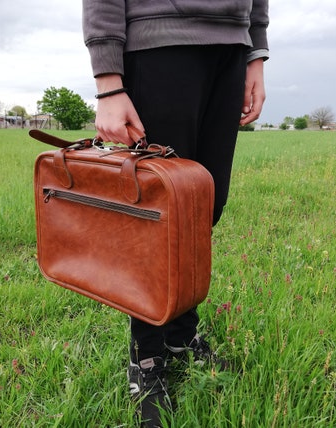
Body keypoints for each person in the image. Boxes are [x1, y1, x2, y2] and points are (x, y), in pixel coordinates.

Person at [82, 1, 269, 426]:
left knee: (202, 208)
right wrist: (109, 81)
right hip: (159, 43)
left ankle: (181, 338)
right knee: (158, 215)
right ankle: (146, 357)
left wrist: (255, 54)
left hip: (231, 49)